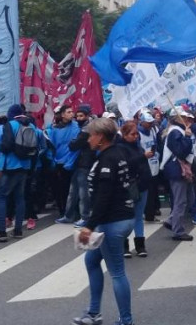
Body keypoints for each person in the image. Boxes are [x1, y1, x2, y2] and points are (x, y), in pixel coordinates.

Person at [75, 118, 136, 325]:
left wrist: (89, 226)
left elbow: (104, 197)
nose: (89, 139)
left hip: (112, 221)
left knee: (117, 272)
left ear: (100, 137)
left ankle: (126, 320)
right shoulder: (114, 153)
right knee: (91, 261)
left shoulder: (108, 159)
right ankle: (93, 313)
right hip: (121, 217)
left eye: (91, 135)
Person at [0, 105, 34, 242]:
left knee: (1, 197)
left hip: (10, 166)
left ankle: (1, 231)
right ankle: (18, 230)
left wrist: (0, 165)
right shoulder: (30, 125)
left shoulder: (10, 125)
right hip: (25, 165)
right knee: (20, 197)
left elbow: (6, 147)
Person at [162, 109, 196, 241]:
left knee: (189, 198)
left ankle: (172, 221)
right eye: (183, 117)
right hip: (177, 170)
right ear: (176, 118)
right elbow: (180, 151)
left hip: (180, 169)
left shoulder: (177, 131)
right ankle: (178, 231)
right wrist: (187, 137)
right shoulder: (175, 132)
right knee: (181, 201)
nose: (186, 120)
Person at [118, 121, 153, 258]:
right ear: (125, 135)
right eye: (132, 134)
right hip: (129, 186)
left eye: (137, 134)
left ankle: (140, 245)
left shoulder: (137, 146)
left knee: (138, 216)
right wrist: (143, 157)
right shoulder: (120, 148)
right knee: (127, 217)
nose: (136, 136)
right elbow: (126, 163)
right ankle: (124, 245)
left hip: (142, 185)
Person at [59, 104, 94, 227]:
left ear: (87, 116)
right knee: (73, 191)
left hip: (85, 163)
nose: (78, 118)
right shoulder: (84, 127)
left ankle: (85, 217)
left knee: (83, 192)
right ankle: (69, 215)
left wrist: (72, 142)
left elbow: (74, 144)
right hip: (79, 162)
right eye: (77, 116)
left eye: (81, 116)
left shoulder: (86, 129)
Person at [50, 105, 80, 220]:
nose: (72, 114)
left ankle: (75, 212)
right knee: (63, 188)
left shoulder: (76, 127)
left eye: (72, 111)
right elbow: (53, 147)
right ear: (62, 114)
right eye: (68, 112)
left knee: (75, 189)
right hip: (60, 163)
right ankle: (64, 211)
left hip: (73, 161)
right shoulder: (55, 129)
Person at [137, 111, 161, 223]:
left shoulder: (152, 130)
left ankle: (153, 210)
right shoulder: (138, 133)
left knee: (154, 189)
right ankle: (148, 214)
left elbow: (155, 144)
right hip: (144, 165)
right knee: (148, 191)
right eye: (148, 122)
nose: (150, 124)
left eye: (151, 122)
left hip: (154, 162)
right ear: (142, 122)